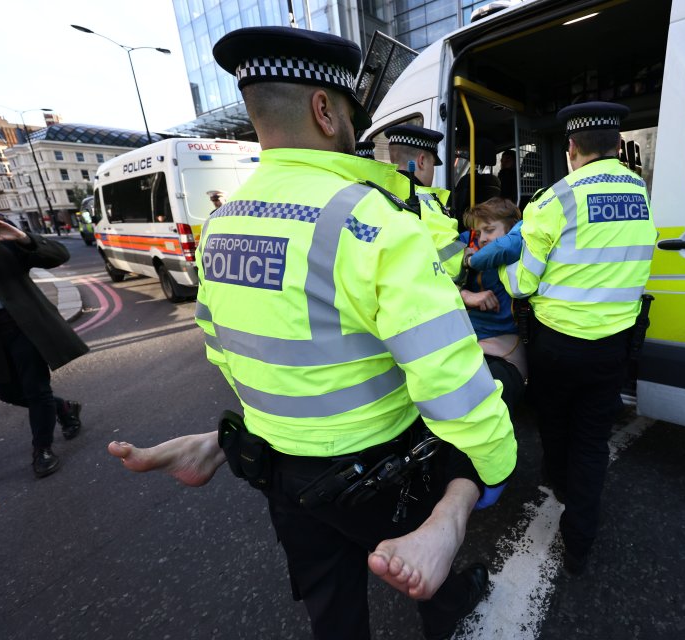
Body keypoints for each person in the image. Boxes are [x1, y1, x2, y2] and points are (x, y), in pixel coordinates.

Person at [107, 26, 516, 640]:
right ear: (325, 110)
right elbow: (450, 376)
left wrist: (245, 435)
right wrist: (489, 470)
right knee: (422, 561)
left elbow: (226, 349)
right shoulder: (372, 220)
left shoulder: (220, 224)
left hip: (279, 467)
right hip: (379, 468)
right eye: (351, 109)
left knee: (331, 605)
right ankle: (448, 583)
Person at [498, 101, 657, 575]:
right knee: (592, 440)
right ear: (616, 144)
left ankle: (557, 482)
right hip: (614, 346)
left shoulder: (553, 200)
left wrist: (502, 266)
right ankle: (580, 546)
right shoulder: (642, 195)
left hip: (558, 345)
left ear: (571, 148)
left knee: (554, 419)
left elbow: (523, 284)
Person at [0, 219, 86, 478]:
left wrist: (22, 237)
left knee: (36, 389)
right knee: (8, 392)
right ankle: (63, 408)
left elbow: (58, 255)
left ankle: (42, 450)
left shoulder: (0, 231)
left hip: (22, 325)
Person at [458, 198, 526, 413]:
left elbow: (510, 242)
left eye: (489, 230)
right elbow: (431, 279)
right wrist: (464, 294)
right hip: (467, 342)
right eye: (478, 234)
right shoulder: (469, 245)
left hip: (503, 347)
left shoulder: (520, 244)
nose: (483, 239)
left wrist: (469, 260)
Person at [385, 124, 465, 281]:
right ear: (421, 161)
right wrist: (467, 256)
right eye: (433, 164)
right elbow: (453, 267)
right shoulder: (425, 201)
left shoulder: (374, 191)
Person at [451, 138, 502, 228]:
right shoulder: (495, 181)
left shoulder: (466, 181)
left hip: (466, 225)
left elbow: (458, 207)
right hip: (489, 223)